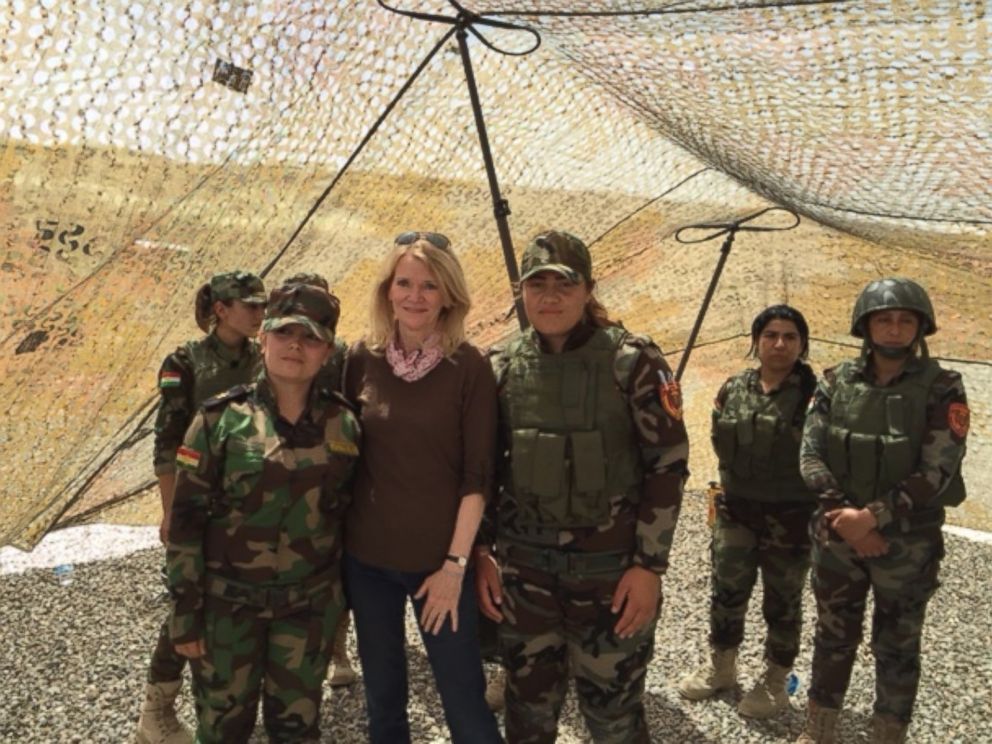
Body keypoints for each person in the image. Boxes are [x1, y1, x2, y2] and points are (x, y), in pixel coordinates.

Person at [475, 230, 690, 744]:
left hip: (611, 576)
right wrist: (482, 551)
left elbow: (668, 463)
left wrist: (649, 567)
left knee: (614, 718)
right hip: (525, 577)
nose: (550, 297)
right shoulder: (499, 366)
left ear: (588, 289)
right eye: (537, 284)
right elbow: (482, 469)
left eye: (564, 284)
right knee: (528, 716)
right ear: (520, 292)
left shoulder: (632, 362)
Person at [165, 283, 361, 742]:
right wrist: (186, 615)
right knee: (221, 730)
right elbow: (186, 525)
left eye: (310, 337)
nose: (296, 345)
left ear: (326, 349)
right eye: (284, 332)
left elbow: (347, 521)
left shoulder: (345, 424)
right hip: (228, 613)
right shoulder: (218, 421)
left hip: (305, 615)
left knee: (297, 731)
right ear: (264, 338)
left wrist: (337, 610)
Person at [342, 231, 502, 744]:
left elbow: (477, 479)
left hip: (439, 567)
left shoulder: (469, 367)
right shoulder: (359, 360)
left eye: (429, 286)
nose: (415, 296)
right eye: (404, 283)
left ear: (449, 295)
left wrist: (456, 567)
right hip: (367, 562)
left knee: (464, 701)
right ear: (387, 290)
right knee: (383, 699)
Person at [796, 278, 969, 744]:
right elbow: (810, 456)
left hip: (906, 543)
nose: (894, 329)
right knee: (833, 638)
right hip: (838, 539)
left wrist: (870, 519)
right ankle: (818, 730)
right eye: (884, 319)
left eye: (905, 320)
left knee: (896, 646)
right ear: (866, 326)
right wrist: (846, 521)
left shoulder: (943, 388)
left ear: (919, 328)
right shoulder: (835, 382)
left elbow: (939, 469)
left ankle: (888, 735)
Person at [137, 270, 266, 744]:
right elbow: (167, 443)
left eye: (261, 305)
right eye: (248, 305)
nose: (258, 313)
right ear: (220, 310)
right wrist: (170, 512)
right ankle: (157, 709)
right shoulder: (185, 362)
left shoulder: (264, 356)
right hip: (197, 504)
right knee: (186, 606)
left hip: (250, 507)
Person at [678, 305, 817, 718]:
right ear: (755, 341)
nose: (779, 343)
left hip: (789, 518)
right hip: (737, 512)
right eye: (770, 334)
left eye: (790, 336)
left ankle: (775, 680)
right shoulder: (733, 388)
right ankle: (723, 668)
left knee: (783, 601)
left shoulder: (815, 396)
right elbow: (719, 437)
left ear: (802, 344)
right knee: (726, 592)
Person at [281, 271, 355, 687]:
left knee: (334, 569)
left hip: (328, 468)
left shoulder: (340, 352)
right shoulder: (275, 347)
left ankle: (337, 650)